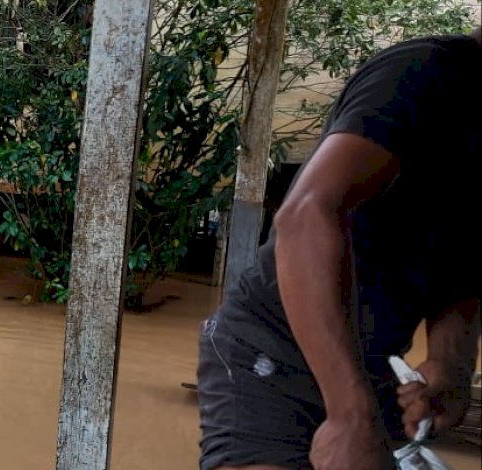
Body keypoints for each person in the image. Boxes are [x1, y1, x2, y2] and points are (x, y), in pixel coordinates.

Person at [197, 27, 482, 470]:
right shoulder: (423, 73)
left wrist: (451, 362)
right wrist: (349, 415)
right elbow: (305, 217)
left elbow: (463, 257)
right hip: (271, 350)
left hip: (373, 362)